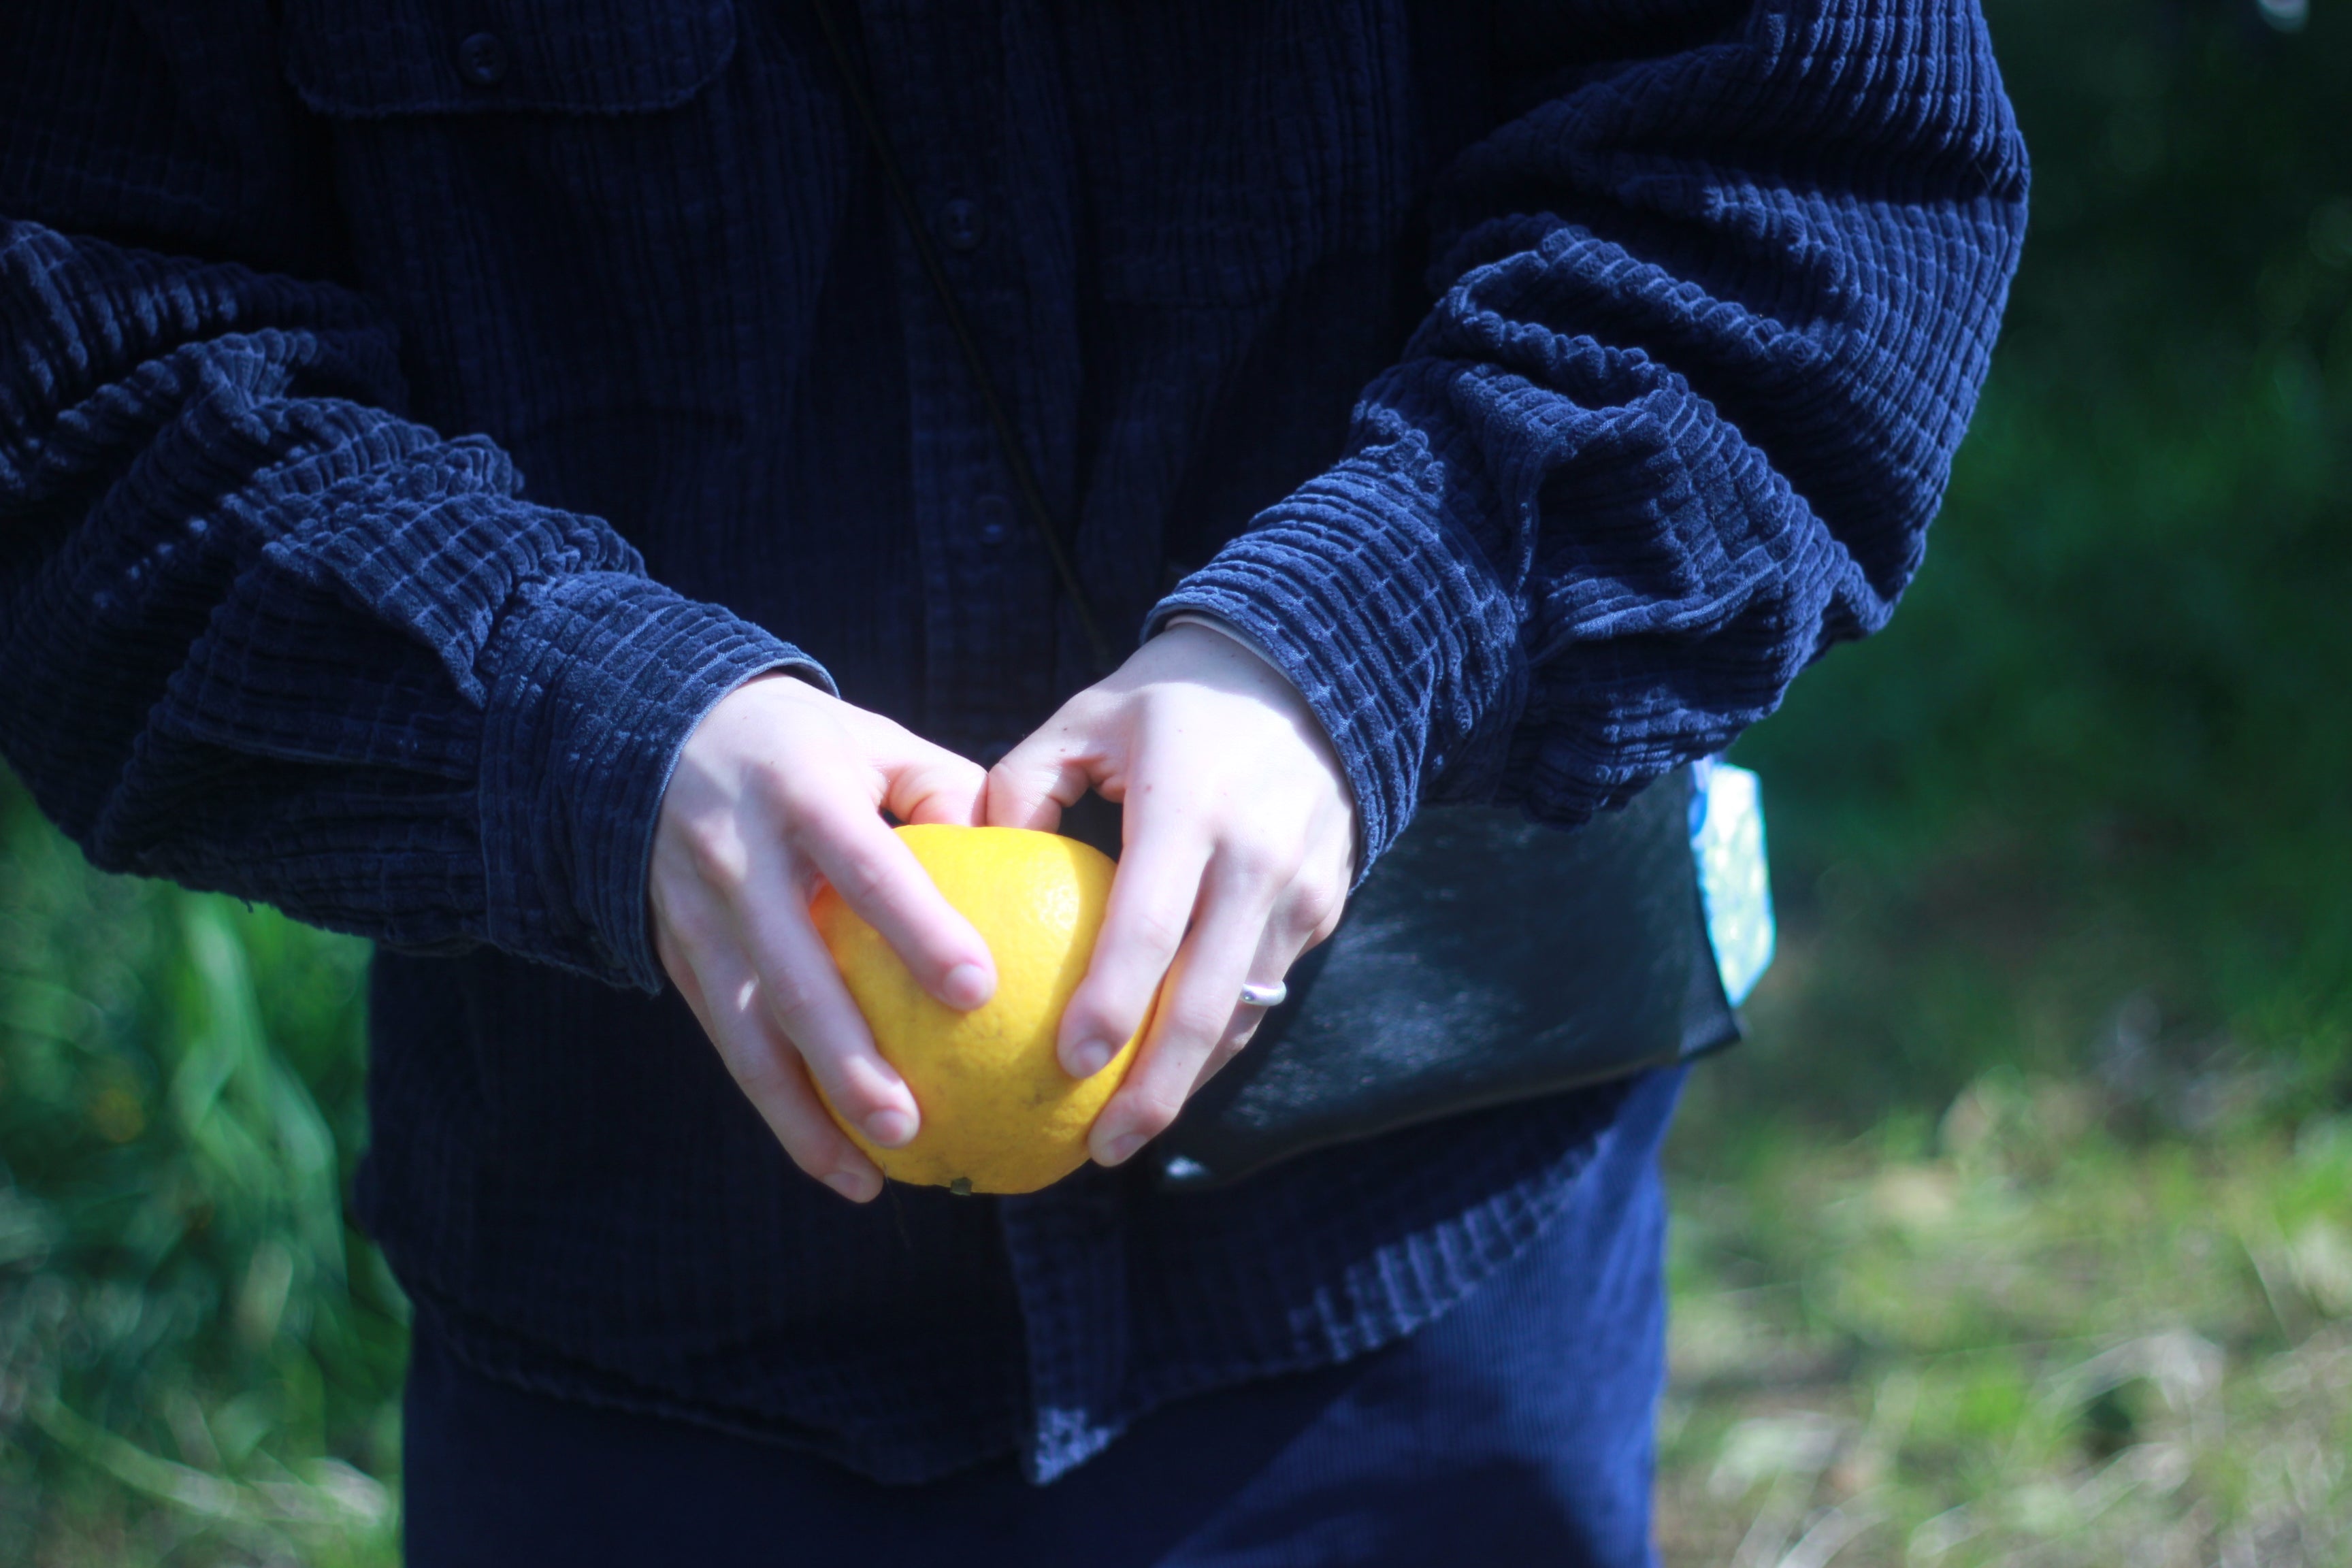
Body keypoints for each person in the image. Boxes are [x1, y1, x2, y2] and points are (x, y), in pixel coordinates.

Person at [0, 2, 2026, 1562]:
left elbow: (1811, 167)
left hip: (1428, 1276)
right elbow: (74, 359)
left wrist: (1367, 633)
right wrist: (583, 723)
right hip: (638, 1342)